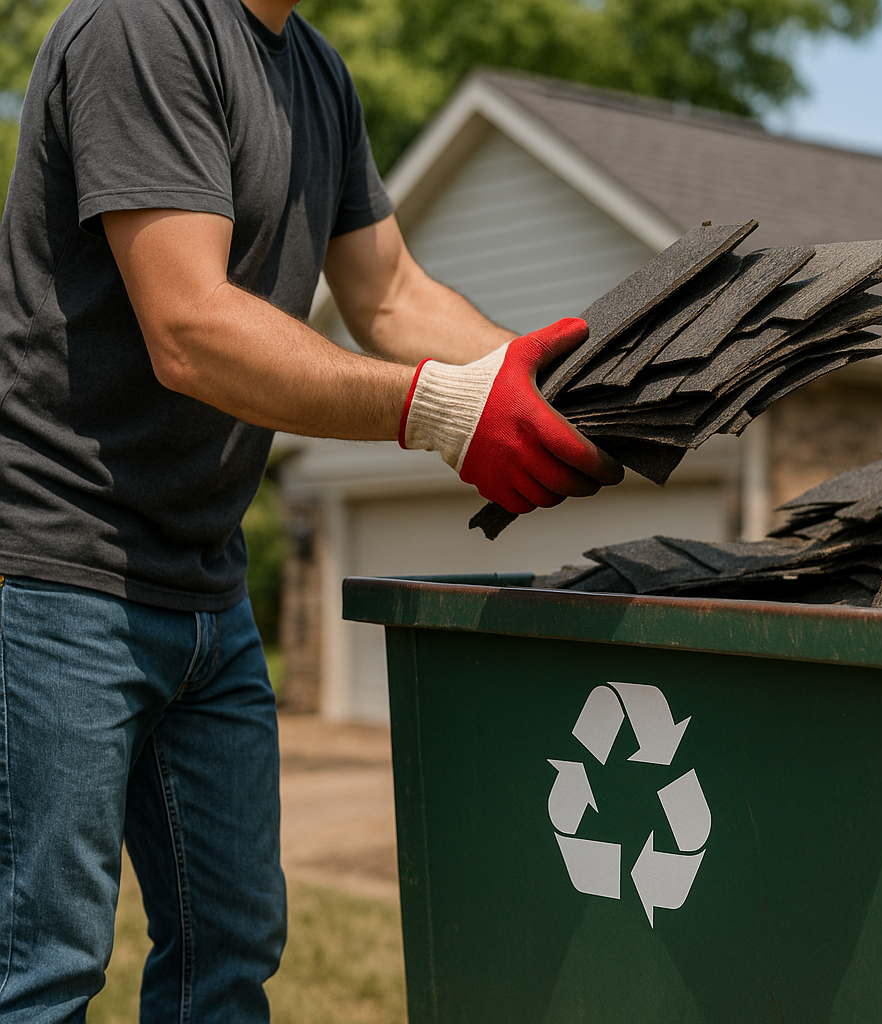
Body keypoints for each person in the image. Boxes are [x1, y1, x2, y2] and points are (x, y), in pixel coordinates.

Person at [0, 0, 624, 1014]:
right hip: (56, 573)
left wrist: (540, 382)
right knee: (44, 967)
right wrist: (441, 409)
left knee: (232, 951)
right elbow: (190, 328)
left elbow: (389, 294)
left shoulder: (317, 76)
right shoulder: (142, 28)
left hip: (205, 587)